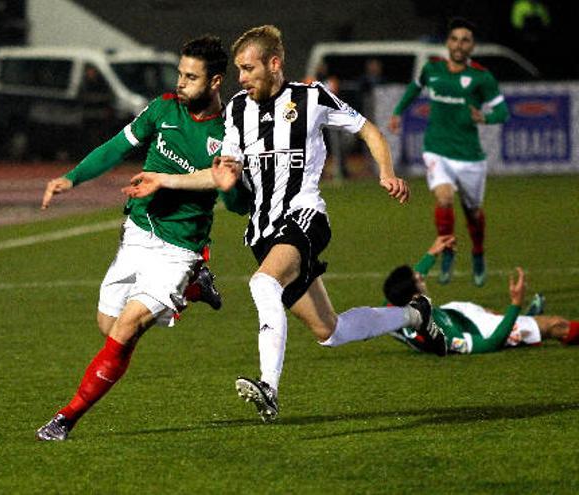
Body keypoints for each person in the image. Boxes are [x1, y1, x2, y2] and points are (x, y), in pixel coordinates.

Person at [123, 25, 445, 424]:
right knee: (330, 331)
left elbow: (368, 130)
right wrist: (164, 179)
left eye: (247, 68)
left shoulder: (311, 98)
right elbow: (221, 173)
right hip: (264, 232)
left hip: (305, 216)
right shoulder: (238, 110)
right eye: (239, 70)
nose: (240, 78)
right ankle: (416, 315)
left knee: (263, 283)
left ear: (274, 64)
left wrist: (386, 171)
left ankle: (269, 388)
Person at [34, 35, 229, 441]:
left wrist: (225, 183)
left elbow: (239, 199)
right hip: (138, 232)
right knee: (108, 325)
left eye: (191, 77)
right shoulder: (162, 109)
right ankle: (195, 288)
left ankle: (64, 419)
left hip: (180, 247)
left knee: (126, 329)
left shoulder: (230, 131)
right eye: (180, 73)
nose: (181, 82)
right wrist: (72, 177)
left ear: (214, 81)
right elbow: (116, 147)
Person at [388, 17, 510, 287]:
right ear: (447, 42)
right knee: (443, 199)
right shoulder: (432, 69)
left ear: (472, 45)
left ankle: (478, 253)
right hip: (436, 149)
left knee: (473, 212)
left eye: (465, 40)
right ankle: (447, 252)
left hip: (469, 155)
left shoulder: (481, 77)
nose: (459, 44)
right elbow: (415, 87)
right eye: (454, 39)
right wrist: (398, 111)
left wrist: (485, 118)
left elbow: (503, 111)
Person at [385, 235, 579, 354]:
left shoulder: (394, 309)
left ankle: (521, 320)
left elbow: (397, 290)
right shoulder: (442, 336)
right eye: (418, 280)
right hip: (480, 331)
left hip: (455, 313)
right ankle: (519, 324)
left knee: (489, 313)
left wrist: (432, 254)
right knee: (554, 325)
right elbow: (490, 344)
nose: (422, 277)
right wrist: (515, 303)